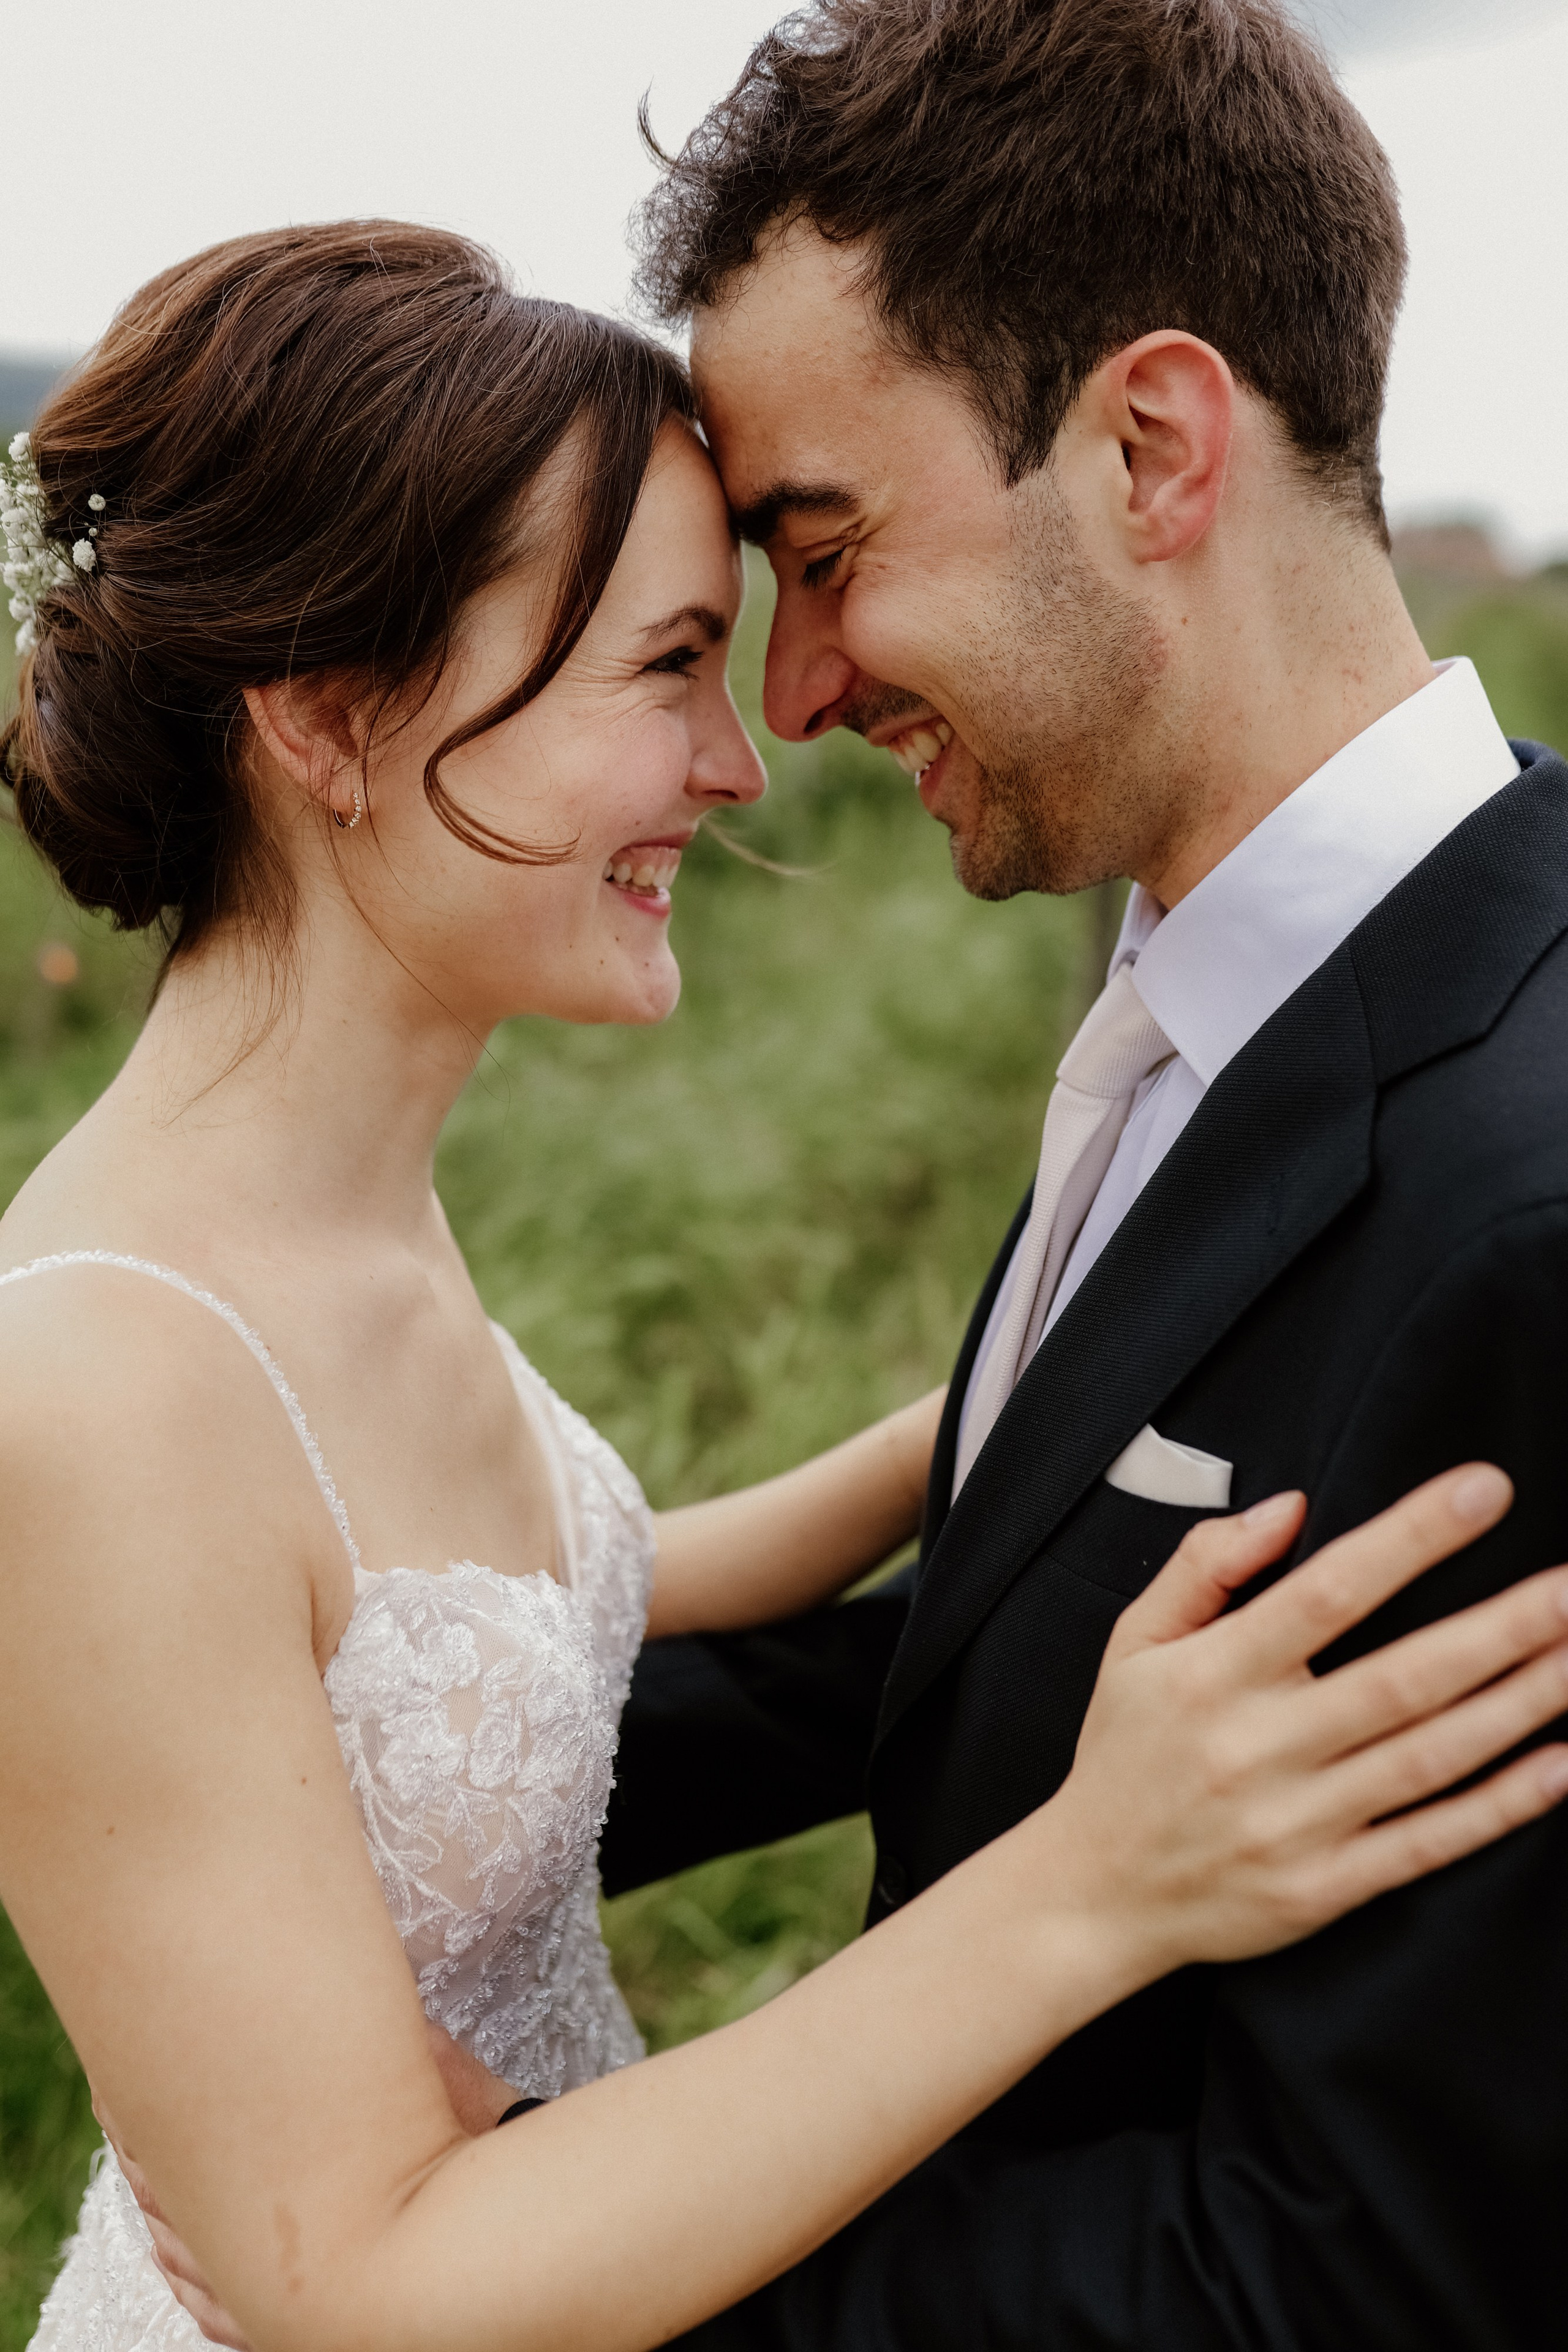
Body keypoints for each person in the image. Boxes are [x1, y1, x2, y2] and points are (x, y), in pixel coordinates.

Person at [1, 213, 1565, 2352]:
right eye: (668, 668)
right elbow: (354, 2294)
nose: (750, 755)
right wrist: (1090, 1878)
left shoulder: (354, 1223)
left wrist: (1054, 1404)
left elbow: (530, 1606)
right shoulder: (88, 1386)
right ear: (339, 719)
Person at [586, 0, 1568, 2343]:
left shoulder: (1525, 1223)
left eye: (825, 549)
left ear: (1149, 443)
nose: (794, 693)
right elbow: (1000, 1666)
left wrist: (521, 2260)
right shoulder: (1214, 976)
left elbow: (1370, 2273)